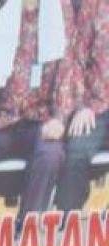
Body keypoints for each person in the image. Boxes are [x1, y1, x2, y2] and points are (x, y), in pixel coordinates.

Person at [0, 0, 77, 223]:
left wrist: (60, 118)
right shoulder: (0, 13)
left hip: (40, 120)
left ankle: (26, 231)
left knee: (51, 154)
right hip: (2, 120)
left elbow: (67, 70)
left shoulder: (59, 11)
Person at [56, 0, 109, 211]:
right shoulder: (95, 5)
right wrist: (80, 105)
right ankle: (67, 226)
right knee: (76, 151)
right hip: (95, 105)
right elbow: (77, 59)